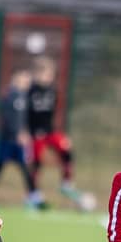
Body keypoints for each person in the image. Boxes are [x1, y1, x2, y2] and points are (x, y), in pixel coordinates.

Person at [28, 56, 85, 209]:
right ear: (36, 74)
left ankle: (66, 183)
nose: (46, 77)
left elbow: (57, 114)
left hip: (50, 131)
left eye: (49, 74)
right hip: (35, 133)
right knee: (36, 162)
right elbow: (25, 114)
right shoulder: (30, 91)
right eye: (43, 74)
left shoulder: (53, 91)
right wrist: (26, 132)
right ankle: (34, 194)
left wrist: (62, 133)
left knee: (66, 150)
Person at [0, 69, 40, 208]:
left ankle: (34, 197)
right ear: (17, 79)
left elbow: (22, 119)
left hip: (17, 141)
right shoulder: (12, 95)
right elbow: (8, 118)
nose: (27, 83)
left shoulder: (23, 97)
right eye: (25, 79)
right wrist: (17, 133)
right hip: (8, 140)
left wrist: (25, 132)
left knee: (25, 168)